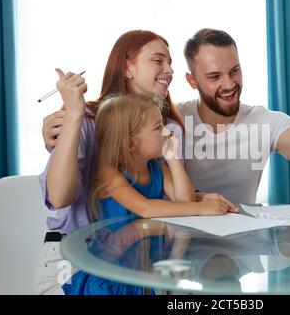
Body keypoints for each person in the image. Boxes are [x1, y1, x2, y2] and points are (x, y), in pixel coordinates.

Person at [42, 28, 290, 205]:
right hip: (168, 251)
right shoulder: (168, 124)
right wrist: (68, 125)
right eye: (214, 76)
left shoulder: (263, 122)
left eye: (234, 71)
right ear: (192, 81)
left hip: (235, 248)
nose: (229, 84)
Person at [34, 30, 234, 295]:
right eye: (159, 60)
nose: (170, 70)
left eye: (171, 62)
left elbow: (174, 200)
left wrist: (198, 197)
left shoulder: (168, 128)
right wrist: (74, 116)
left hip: (140, 263)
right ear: (127, 67)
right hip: (74, 259)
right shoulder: (84, 120)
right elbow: (59, 198)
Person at [62, 93, 234, 295]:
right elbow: (145, 208)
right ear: (130, 144)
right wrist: (201, 208)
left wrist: (173, 160)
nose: (166, 133)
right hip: (112, 276)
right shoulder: (109, 174)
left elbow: (184, 201)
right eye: (157, 127)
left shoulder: (157, 167)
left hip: (143, 272)